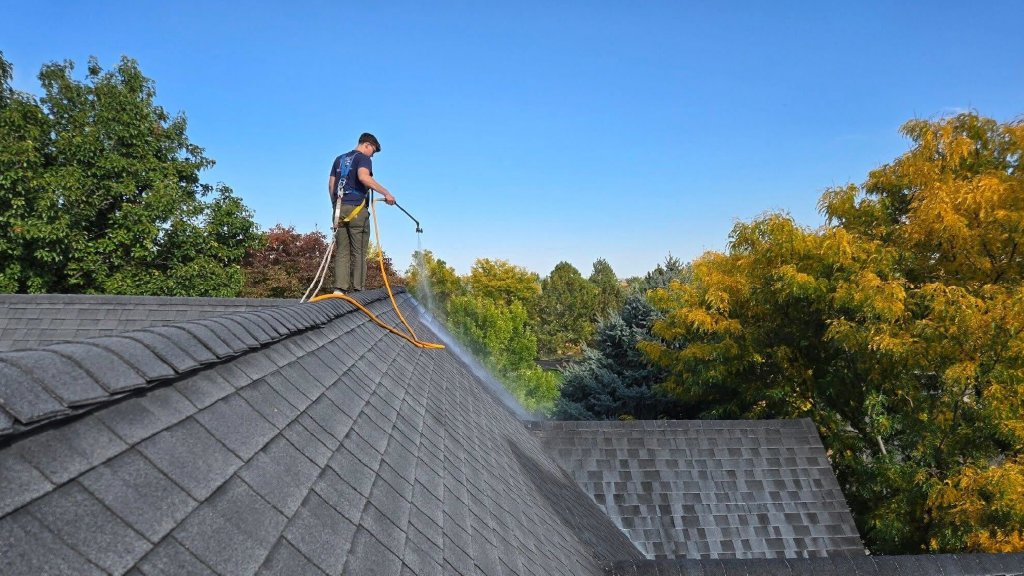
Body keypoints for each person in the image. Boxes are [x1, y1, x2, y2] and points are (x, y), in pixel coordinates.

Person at [328, 133, 396, 293]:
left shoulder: (339, 159)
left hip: (339, 209)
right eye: (373, 151)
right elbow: (364, 177)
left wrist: (335, 206)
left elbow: (331, 185)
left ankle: (339, 289)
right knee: (358, 251)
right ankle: (358, 290)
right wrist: (386, 193)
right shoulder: (363, 159)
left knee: (342, 251)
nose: (372, 155)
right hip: (357, 210)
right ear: (366, 145)